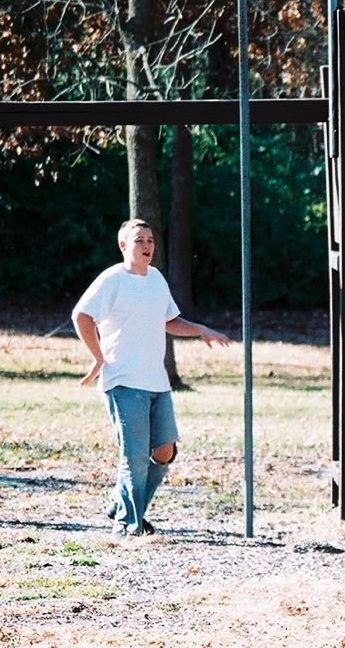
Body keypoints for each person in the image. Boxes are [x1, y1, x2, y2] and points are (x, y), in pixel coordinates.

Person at [72, 219, 231, 536]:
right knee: (134, 457)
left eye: (150, 241)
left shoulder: (156, 279)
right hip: (124, 381)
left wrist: (201, 331)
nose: (146, 246)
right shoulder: (113, 280)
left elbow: (170, 321)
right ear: (123, 246)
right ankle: (128, 525)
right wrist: (98, 357)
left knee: (164, 452)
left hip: (157, 383)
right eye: (139, 240)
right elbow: (81, 315)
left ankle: (121, 503)